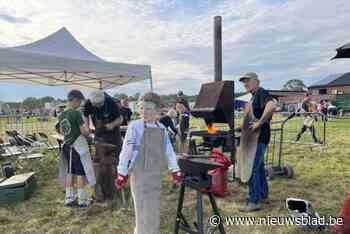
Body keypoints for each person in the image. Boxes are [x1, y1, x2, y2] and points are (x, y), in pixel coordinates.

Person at [115, 92, 182, 234]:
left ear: (158, 110)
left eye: (148, 108)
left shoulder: (162, 129)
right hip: (139, 174)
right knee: (141, 208)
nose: (144, 111)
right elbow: (126, 150)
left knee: (153, 207)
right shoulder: (135, 126)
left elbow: (168, 151)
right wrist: (122, 172)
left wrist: (175, 170)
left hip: (154, 173)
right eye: (141, 108)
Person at [237, 72, 275, 212]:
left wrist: (259, 123)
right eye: (244, 82)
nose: (245, 84)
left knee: (252, 168)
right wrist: (241, 128)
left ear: (257, 81)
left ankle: (254, 201)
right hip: (253, 138)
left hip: (259, 137)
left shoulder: (261, 93)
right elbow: (251, 117)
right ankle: (263, 195)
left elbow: (271, 106)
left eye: (248, 81)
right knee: (258, 168)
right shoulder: (253, 97)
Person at [58, 90, 95, 208]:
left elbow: (62, 131)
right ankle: (82, 200)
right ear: (74, 100)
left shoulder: (61, 114)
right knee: (81, 173)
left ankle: (69, 198)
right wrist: (89, 135)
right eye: (79, 101)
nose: (80, 104)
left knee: (70, 172)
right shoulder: (75, 113)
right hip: (77, 147)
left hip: (67, 145)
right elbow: (83, 131)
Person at [83, 90, 122, 203]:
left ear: (104, 100)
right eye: (96, 105)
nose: (98, 107)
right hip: (99, 135)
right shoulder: (88, 103)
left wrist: (112, 124)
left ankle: (118, 187)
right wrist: (87, 127)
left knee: (115, 162)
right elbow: (86, 115)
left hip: (113, 135)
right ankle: (101, 192)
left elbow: (120, 119)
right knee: (100, 163)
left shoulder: (111, 102)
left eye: (100, 104)